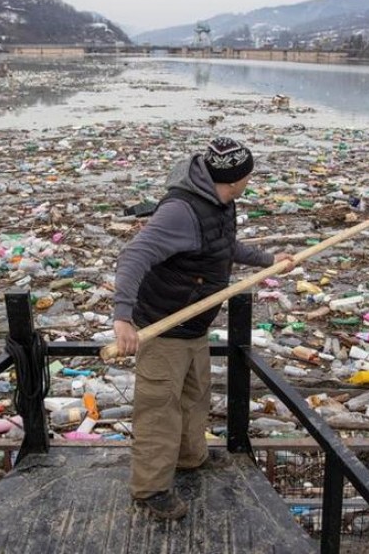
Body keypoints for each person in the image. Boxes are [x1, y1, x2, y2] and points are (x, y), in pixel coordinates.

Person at [113, 136, 294, 520]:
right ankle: (150, 490)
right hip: (164, 327)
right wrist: (122, 318)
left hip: (194, 324)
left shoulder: (221, 202)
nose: (250, 181)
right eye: (249, 176)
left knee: (194, 398)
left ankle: (189, 459)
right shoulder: (181, 211)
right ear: (237, 178)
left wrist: (267, 260)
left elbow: (222, 246)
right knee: (159, 409)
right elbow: (134, 255)